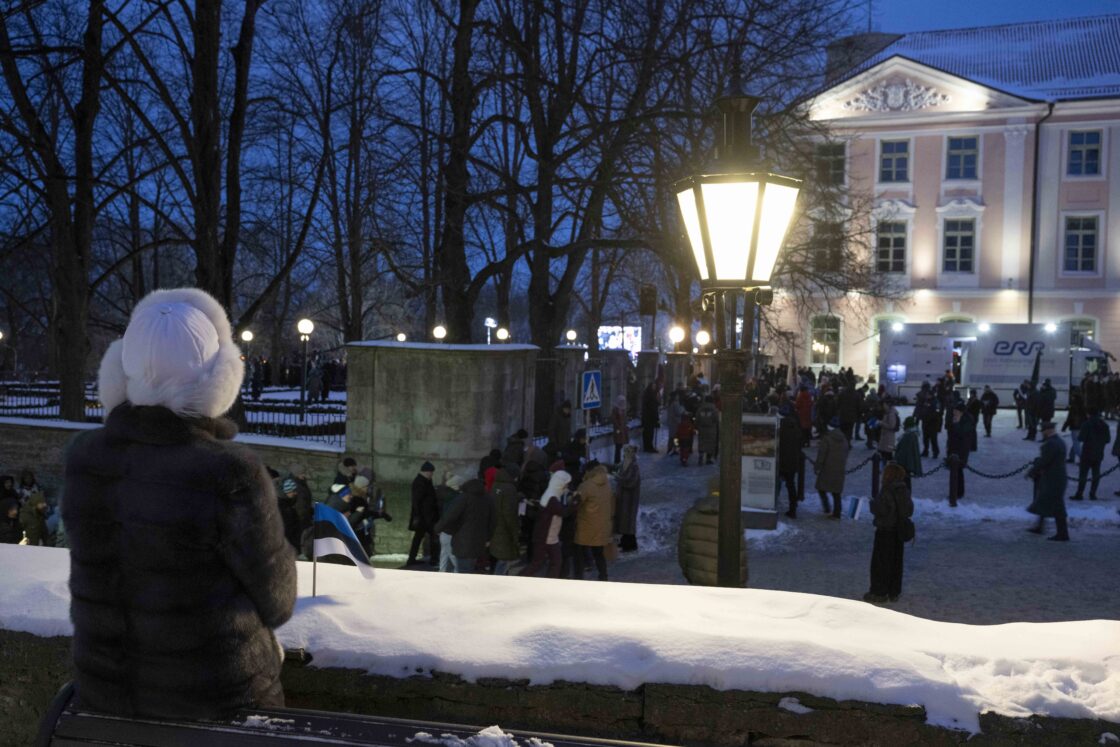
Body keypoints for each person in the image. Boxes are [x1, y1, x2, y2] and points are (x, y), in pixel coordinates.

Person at [63, 287, 295, 719]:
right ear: (218, 379)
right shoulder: (229, 472)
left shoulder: (85, 459)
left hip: (108, 699)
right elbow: (278, 600)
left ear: (120, 371)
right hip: (218, 704)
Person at [865, 462, 914, 604]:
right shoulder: (904, 490)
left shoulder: (886, 490)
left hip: (885, 531)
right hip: (898, 532)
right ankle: (894, 591)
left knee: (880, 563)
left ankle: (878, 592)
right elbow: (909, 510)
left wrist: (872, 504)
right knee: (896, 563)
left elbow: (881, 510)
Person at [519, 470, 573, 578]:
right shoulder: (552, 498)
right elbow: (564, 512)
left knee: (553, 562)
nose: (567, 487)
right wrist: (576, 501)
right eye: (566, 484)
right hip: (546, 537)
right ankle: (518, 579)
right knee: (542, 563)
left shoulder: (550, 494)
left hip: (548, 536)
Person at [434, 478, 494, 573]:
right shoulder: (487, 498)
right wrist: (488, 538)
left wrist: (437, 529)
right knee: (469, 567)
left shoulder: (464, 498)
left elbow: (450, 516)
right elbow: (492, 520)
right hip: (479, 540)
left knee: (462, 569)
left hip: (463, 540)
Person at [1026, 421, 1070, 541]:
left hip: (1053, 480)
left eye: (1043, 430)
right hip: (1057, 478)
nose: (1042, 433)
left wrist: (1031, 472)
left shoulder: (1049, 444)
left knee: (1057, 506)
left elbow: (1044, 461)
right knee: (1043, 501)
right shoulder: (1060, 442)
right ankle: (1040, 527)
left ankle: (1063, 534)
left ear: (1048, 430)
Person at [573, 461, 613, 581]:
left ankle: (578, 577)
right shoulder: (607, 483)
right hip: (602, 524)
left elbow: (577, 503)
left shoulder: (586, 486)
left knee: (579, 552)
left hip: (586, 524)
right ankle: (603, 576)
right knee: (599, 553)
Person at [489, 462, 523, 575]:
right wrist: (515, 533)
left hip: (495, 526)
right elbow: (510, 514)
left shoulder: (496, 484)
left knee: (497, 557)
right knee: (504, 560)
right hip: (504, 530)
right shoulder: (510, 488)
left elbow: (500, 502)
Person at [406, 461, 440, 567]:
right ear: (427, 472)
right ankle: (433, 560)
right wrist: (418, 516)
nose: (432, 475)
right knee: (431, 537)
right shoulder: (420, 482)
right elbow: (417, 501)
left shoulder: (425, 481)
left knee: (419, 537)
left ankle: (412, 559)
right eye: (431, 472)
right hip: (424, 517)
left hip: (427, 516)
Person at [1072, 409, 1111, 501]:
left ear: (1089, 414)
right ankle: (1092, 494)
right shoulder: (1104, 425)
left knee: (1083, 474)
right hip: (1098, 453)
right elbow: (1108, 440)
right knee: (1096, 475)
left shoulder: (1086, 424)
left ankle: (1079, 493)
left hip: (1087, 452)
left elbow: (1081, 438)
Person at [815, 416, 849, 519]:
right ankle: (837, 512)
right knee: (836, 492)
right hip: (839, 468)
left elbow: (822, 455)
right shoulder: (844, 439)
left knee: (821, 488)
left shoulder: (827, 438)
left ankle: (826, 507)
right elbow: (846, 453)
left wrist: (817, 466)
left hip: (827, 468)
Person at [435, 474, 465, 572]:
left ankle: (442, 572)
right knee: (452, 555)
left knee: (444, 554)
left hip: (444, 530)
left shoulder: (445, 496)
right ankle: (458, 572)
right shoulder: (456, 499)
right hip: (450, 531)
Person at [613, 445, 641, 552]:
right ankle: (624, 541)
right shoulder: (623, 463)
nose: (626, 453)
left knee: (629, 521)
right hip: (623, 497)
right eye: (625, 451)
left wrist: (619, 479)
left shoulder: (634, 466)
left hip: (630, 499)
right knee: (623, 520)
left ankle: (630, 544)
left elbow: (632, 482)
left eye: (628, 451)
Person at [946, 402, 975, 501]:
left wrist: (957, 423)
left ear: (961, 412)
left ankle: (958, 492)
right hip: (954, 448)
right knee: (956, 471)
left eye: (956, 412)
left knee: (958, 470)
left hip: (961, 449)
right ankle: (956, 492)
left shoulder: (967, 420)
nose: (954, 413)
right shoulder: (957, 418)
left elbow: (962, 433)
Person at [777, 404, 802, 518]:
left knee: (777, 483)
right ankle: (793, 507)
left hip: (782, 461)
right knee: (791, 484)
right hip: (793, 461)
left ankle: (772, 502)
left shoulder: (780, 427)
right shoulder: (795, 426)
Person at [894, 416, 922, 490]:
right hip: (907, 463)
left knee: (905, 482)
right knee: (906, 482)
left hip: (905, 464)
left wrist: (896, 457)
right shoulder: (912, 434)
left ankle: (905, 497)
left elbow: (904, 452)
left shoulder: (909, 436)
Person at [694, 395, 720, 465]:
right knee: (710, 444)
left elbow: (697, 418)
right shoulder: (714, 409)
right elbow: (716, 419)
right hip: (711, 429)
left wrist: (696, 426)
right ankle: (708, 459)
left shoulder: (700, 408)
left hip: (702, 428)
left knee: (702, 442)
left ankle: (701, 456)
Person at [877, 397, 900, 462]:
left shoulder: (891, 413)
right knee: (885, 454)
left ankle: (887, 470)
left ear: (888, 405)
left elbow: (891, 425)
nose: (883, 406)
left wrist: (881, 423)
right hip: (886, 437)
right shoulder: (888, 412)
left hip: (888, 438)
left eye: (884, 405)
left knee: (887, 455)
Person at [640, 381, 659, 453]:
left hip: (652, 417)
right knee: (647, 433)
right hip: (648, 417)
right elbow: (648, 407)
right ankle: (647, 447)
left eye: (655, 386)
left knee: (651, 433)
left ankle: (650, 446)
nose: (654, 387)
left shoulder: (654, 395)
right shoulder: (648, 395)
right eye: (653, 386)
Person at [611, 396, 628, 464]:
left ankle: (621, 460)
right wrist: (619, 428)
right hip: (618, 431)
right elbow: (614, 420)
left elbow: (624, 420)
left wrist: (624, 427)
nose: (623, 403)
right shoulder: (615, 410)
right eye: (621, 402)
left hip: (623, 431)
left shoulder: (623, 410)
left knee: (621, 446)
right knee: (618, 447)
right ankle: (617, 461)